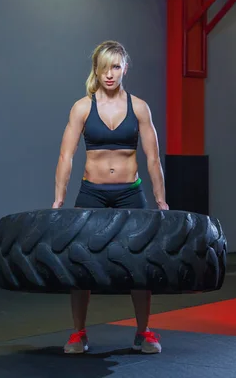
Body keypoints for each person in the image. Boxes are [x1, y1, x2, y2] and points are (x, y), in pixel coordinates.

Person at [52, 40, 168, 355]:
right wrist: (58, 199)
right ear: (97, 69)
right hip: (93, 192)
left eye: (116, 67)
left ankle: (144, 331)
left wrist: (161, 200)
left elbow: (153, 157)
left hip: (130, 193)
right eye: (105, 67)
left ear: (124, 68)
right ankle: (78, 333)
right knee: (80, 263)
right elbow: (66, 155)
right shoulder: (82, 107)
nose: (110, 74)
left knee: (141, 263)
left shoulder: (139, 107)